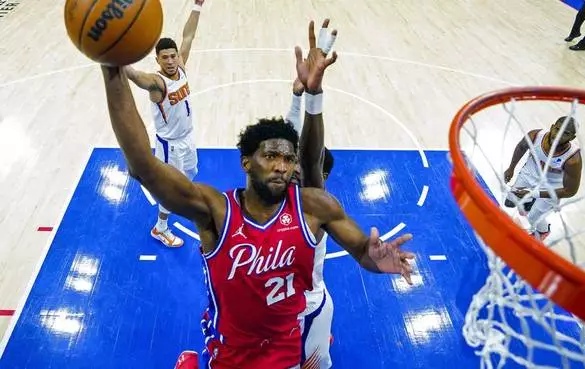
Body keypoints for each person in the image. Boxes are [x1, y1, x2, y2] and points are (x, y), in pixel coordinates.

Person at [100, 18, 415, 369]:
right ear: (246, 162)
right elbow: (142, 164)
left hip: (285, 353)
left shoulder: (314, 207)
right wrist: (111, 66)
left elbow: (359, 245)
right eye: (271, 156)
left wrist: (376, 259)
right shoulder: (214, 211)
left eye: (287, 159)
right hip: (232, 355)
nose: (282, 166)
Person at [123, 0, 205, 248]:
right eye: (165, 58)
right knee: (169, 191)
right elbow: (137, 77)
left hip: (187, 138)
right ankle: (160, 228)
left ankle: (182, 204)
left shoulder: (181, 67)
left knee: (191, 175)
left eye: (173, 56)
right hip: (169, 146)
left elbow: (188, 35)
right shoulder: (157, 83)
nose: (170, 61)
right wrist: (115, 59)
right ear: (157, 60)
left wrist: (197, 6)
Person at [283, 20, 338, 369]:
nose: (293, 167)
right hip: (279, 307)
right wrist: (299, 93)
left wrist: (316, 95)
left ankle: (318, 348)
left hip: (307, 310)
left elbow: (308, 152)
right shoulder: (285, 188)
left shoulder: (315, 205)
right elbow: (291, 141)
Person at [503, 117, 583, 241]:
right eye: (557, 129)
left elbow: (570, 191)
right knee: (510, 202)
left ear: (572, 138)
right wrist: (511, 168)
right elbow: (521, 148)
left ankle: (543, 231)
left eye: (566, 133)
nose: (559, 135)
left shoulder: (573, 159)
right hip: (530, 174)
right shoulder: (535, 136)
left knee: (533, 218)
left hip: (552, 187)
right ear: (552, 127)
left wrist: (534, 193)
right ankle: (529, 202)